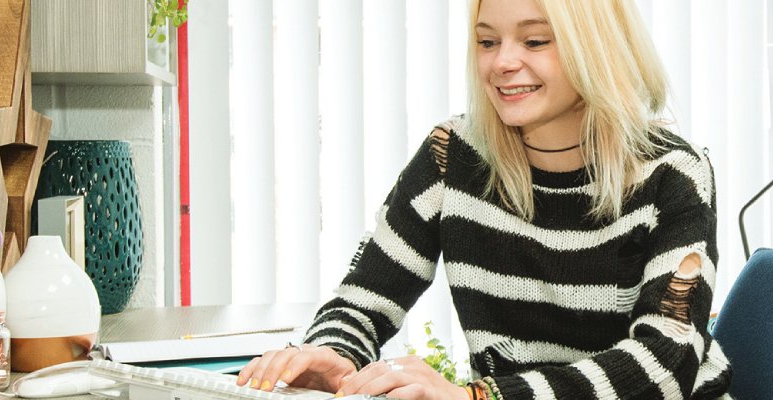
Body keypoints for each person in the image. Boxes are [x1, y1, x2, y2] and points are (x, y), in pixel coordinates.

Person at [235, 0, 727, 398]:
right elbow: (366, 299)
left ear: (595, 47)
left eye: (535, 40)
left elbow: (664, 366)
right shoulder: (453, 157)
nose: (501, 62)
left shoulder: (674, 175)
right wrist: (333, 353)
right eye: (486, 41)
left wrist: (478, 398)